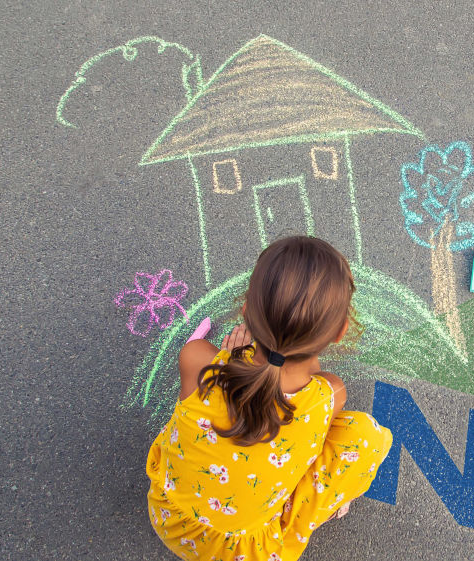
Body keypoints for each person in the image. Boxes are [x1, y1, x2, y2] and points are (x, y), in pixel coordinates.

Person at [146, 236, 393, 560]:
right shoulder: (326, 397)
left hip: (171, 520)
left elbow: (198, 409)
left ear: (246, 310)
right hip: (247, 553)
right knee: (365, 437)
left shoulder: (197, 360)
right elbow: (312, 379)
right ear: (340, 332)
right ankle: (329, 500)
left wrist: (230, 359)